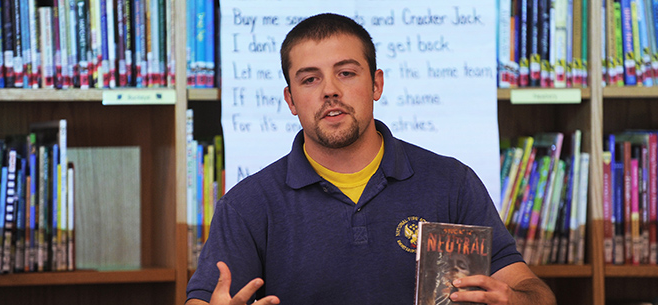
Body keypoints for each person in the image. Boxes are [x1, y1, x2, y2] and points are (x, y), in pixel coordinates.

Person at [186, 12, 556, 305]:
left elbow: (532, 290)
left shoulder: (451, 183)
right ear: (291, 100)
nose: (330, 90)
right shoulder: (247, 205)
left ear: (376, 84)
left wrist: (513, 300)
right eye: (310, 80)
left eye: (346, 73)